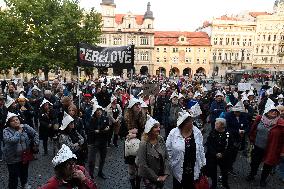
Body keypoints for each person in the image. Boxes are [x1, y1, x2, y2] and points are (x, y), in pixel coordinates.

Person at [246, 100, 284, 187]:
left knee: (268, 165)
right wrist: (251, 139)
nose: (274, 112)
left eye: (276, 111)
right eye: (272, 110)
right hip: (258, 146)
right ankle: (252, 174)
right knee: (254, 163)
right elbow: (253, 129)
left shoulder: (281, 123)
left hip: (272, 149)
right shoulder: (259, 119)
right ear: (267, 112)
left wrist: (282, 151)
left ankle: (263, 180)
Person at [166, 111, 206, 189]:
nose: (192, 122)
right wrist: (171, 163)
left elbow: (201, 149)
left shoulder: (197, 132)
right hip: (178, 168)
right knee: (178, 186)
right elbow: (168, 150)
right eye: (190, 121)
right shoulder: (173, 133)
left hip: (194, 168)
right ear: (184, 124)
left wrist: (203, 164)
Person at [3, 112, 39, 189]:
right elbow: (13, 140)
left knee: (24, 172)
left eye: (17, 119)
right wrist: (18, 132)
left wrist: (36, 143)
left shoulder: (25, 127)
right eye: (13, 120)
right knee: (13, 176)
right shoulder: (6, 131)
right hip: (12, 158)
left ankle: (24, 184)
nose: (16, 121)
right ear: (9, 123)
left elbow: (35, 133)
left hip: (24, 155)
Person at [136, 116, 170, 189]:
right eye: (156, 127)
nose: (159, 129)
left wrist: (166, 173)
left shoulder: (160, 139)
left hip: (161, 175)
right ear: (149, 130)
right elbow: (142, 164)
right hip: (149, 178)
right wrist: (156, 178)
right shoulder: (143, 144)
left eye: (159, 127)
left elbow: (166, 156)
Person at [124, 97, 146, 189]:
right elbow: (121, 131)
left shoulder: (144, 116)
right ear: (132, 107)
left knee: (140, 167)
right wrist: (128, 133)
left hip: (141, 145)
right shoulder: (126, 118)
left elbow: (146, 131)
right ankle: (133, 186)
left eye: (139, 104)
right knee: (131, 168)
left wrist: (136, 134)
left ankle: (137, 185)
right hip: (130, 146)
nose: (138, 106)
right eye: (136, 105)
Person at [206, 118, 233, 189]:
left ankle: (225, 184)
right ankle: (214, 184)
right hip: (213, 157)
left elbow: (230, 147)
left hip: (224, 158)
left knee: (224, 172)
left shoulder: (228, 135)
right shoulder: (212, 132)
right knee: (213, 171)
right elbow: (209, 144)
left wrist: (222, 154)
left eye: (217, 123)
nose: (215, 124)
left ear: (222, 125)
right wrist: (215, 153)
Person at [85, 104, 110, 179]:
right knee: (91, 160)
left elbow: (107, 130)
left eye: (100, 110)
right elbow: (91, 131)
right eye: (97, 111)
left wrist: (99, 131)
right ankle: (91, 173)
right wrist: (102, 131)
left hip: (103, 141)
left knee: (103, 158)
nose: (99, 112)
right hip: (94, 141)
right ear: (95, 112)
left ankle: (100, 172)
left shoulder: (105, 118)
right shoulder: (92, 119)